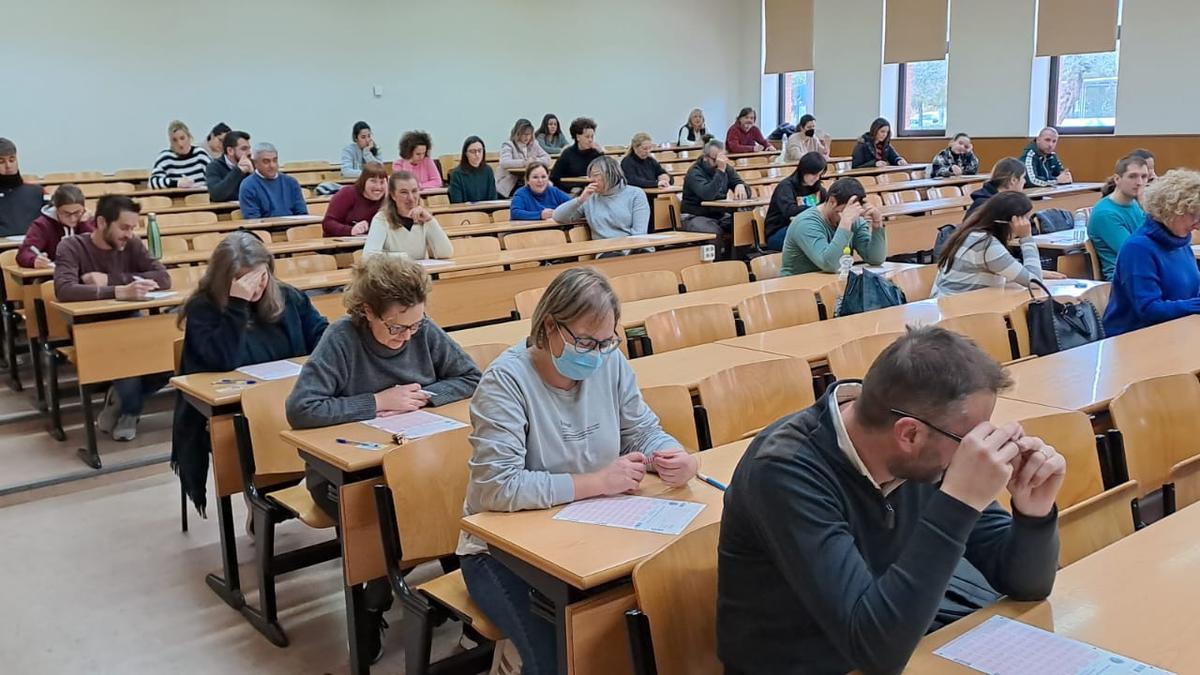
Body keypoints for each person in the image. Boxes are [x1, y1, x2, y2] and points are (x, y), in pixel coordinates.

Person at [718, 325, 1064, 674]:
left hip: (902, 642)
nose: (979, 449)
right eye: (970, 437)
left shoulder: (925, 449)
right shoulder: (783, 471)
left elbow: (1025, 585)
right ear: (910, 433)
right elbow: (874, 650)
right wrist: (958, 504)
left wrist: (1033, 513)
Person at [459, 267, 698, 674]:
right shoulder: (506, 381)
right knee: (560, 657)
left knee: (659, 617)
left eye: (607, 341)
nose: (598, 353)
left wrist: (676, 456)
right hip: (499, 552)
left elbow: (642, 430)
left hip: (590, 532)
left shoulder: (609, 362)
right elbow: (497, 488)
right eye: (586, 341)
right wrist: (597, 483)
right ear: (550, 326)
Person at [287, 255, 481, 662]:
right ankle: (372, 604)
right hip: (343, 477)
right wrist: (376, 402)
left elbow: (470, 377)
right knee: (388, 523)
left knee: (463, 500)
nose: (406, 336)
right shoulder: (342, 338)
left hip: (420, 463)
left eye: (413, 326)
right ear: (367, 310)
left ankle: (455, 594)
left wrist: (427, 396)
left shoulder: (420, 328)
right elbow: (302, 408)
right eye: (396, 327)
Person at [172, 231, 328, 514]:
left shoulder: (290, 298)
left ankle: (318, 492)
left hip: (290, 398)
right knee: (249, 434)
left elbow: (322, 336)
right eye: (244, 280)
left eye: (261, 277)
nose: (255, 287)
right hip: (236, 411)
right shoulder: (204, 308)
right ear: (224, 279)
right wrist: (238, 304)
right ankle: (263, 495)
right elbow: (222, 360)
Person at [54, 195, 172, 441]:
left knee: (170, 349)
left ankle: (121, 402)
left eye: (132, 228)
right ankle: (130, 410)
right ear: (101, 222)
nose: (129, 233)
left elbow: (163, 279)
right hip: (90, 326)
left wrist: (110, 282)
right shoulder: (72, 246)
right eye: (124, 227)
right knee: (128, 353)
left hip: (131, 319)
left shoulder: (132, 244)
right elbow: (64, 289)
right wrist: (120, 292)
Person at [1103, 169, 1200, 337]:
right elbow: (1148, 310)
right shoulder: (1138, 249)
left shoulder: (1181, 241)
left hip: (1176, 331)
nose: (1198, 225)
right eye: (1193, 215)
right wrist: (1195, 305)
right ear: (1170, 210)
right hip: (1135, 339)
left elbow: (1193, 291)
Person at [932, 192, 1064, 297]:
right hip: (956, 309)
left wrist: (1027, 273)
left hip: (950, 302)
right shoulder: (986, 244)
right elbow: (1036, 283)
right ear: (1012, 221)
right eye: (1025, 219)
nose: (1028, 225)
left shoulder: (972, 233)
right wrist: (1026, 238)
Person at [780, 177, 885, 276]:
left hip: (833, 284)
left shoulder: (854, 220)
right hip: (798, 287)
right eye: (843, 211)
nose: (848, 216)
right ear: (832, 201)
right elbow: (829, 265)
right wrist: (845, 223)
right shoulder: (806, 223)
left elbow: (875, 259)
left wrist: (877, 223)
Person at [554, 156, 650, 247]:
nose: (591, 180)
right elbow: (558, 217)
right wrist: (580, 200)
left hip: (634, 248)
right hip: (605, 250)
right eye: (589, 176)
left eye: (595, 175)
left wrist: (627, 250)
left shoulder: (636, 194)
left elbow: (640, 233)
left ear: (611, 174)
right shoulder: (590, 198)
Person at [364, 171, 453, 260]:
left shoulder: (424, 217)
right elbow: (369, 257)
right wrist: (404, 257)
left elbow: (446, 253)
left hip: (419, 273)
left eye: (414, 191)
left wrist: (430, 220)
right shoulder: (381, 219)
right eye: (404, 192)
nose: (411, 198)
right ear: (393, 195)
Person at [681, 139, 747, 259]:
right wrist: (720, 171)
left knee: (743, 226)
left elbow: (740, 184)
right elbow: (708, 194)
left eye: (722, 158)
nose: (719, 162)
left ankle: (735, 262)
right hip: (694, 216)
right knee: (714, 233)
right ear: (706, 157)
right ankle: (716, 267)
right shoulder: (694, 173)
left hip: (718, 214)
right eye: (716, 159)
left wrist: (740, 186)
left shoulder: (726, 168)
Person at [1087, 155, 1151, 281]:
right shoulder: (1106, 214)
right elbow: (1135, 252)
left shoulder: (1135, 204)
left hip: (1147, 270)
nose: (1140, 182)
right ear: (1117, 179)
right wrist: (1147, 208)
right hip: (1125, 278)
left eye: (1144, 177)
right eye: (1132, 176)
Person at [18, 184, 95, 268]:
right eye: (66, 213)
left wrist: (84, 224)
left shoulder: (88, 221)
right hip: (52, 275)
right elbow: (24, 253)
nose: (72, 218)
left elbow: (98, 249)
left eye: (77, 212)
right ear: (56, 209)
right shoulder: (42, 225)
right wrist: (34, 260)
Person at [764, 152, 827, 252]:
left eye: (820, 175)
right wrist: (818, 209)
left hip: (806, 230)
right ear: (803, 170)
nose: (817, 178)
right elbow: (790, 211)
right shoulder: (786, 187)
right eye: (814, 174)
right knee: (810, 233)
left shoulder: (818, 188)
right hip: (779, 232)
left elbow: (827, 206)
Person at [238, 143, 307, 218]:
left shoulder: (291, 182)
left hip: (293, 226)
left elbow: (302, 212)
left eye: (275, 160)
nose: (272, 165)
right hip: (265, 229)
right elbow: (252, 219)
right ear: (255, 163)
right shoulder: (248, 185)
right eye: (266, 161)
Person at [323, 161, 387, 237]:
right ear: (364, 181)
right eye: (373, 181)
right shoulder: (347, 193)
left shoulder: (387, 198)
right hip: (340, 244)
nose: (378, 187)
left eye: (382, 182)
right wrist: (351, 230)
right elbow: (328, 223)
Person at [0, 138, 45, 237]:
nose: (8, 166)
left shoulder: (36, 191)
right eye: (1, 162)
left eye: (12, 160)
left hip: (34, 247)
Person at [496, 118, 551, 198]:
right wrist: (524, 162)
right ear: (517, 133)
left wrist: (534, 161)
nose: (527, 137)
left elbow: (547, 158)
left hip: (527, 181)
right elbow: (505, 162)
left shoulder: (534, 144)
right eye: (524, 134)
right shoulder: (508, 145)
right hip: (510, 184)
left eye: (529, 134)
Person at [150, 120, 211, 189]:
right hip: (176, 197)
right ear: (170, 142)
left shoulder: (200, 155)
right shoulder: (165, 157)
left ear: (189, 137)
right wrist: (177, 183)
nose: (180, 144)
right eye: (174, 140)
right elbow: (152, 182)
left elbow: (216, 177)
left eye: (182, 138)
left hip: (201, 196)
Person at [549, 117, 603, 189]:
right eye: (587, 137)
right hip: (571, 192)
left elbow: (606, 174)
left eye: (592, 137)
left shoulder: (596, 154)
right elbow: (554, 179)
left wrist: (601, 153)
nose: (590, 140)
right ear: (578, 137)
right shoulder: (567, 154)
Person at [205, 130, 253, 203]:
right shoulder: (213, 167)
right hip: (224, 212)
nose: (249, 153)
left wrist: (253, 175)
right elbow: (216, 195)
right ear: (230, 151)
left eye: (249, 148)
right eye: (244, 149)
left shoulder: (252, 164)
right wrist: (238, 171)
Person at [447, 136, 499, 204]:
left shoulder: (488, 170)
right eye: (473, 151)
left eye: (480, 151)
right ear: (466, 153)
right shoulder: (457, 174)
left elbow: (493, 198)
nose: (477, 154)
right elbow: (456, 202)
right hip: (466, 213)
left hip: (487, 211)